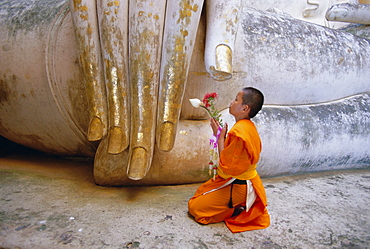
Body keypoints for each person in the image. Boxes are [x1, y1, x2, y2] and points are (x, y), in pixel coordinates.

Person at [188, 87, 270, 233]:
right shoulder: (246, 126)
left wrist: (220, 138)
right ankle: (234, 205)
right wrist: (219, 134)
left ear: (245, 108)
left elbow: (226, 169)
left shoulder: (239, 133)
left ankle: (234, 208)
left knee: (195, 209)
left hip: (239, 187)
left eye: (236, 99)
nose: (232, 102)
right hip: (241, 181)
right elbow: (233, 157)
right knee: (201, 192)